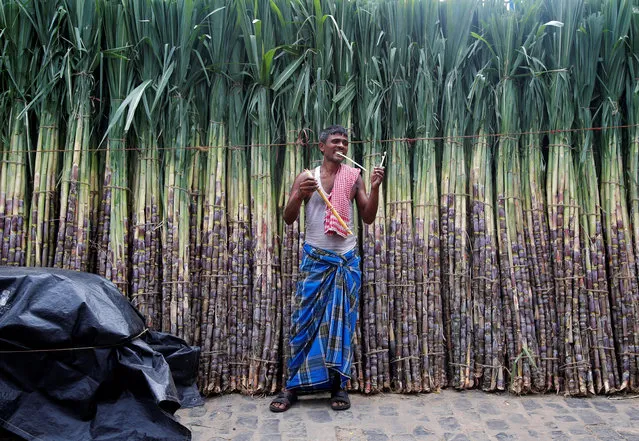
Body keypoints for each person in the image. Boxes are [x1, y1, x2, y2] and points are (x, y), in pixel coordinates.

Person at [270, 125, 384, 412]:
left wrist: (374, 187)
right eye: (336, 141)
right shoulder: (308, 177)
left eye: (345, 142)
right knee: (303, 323)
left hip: (346, 261)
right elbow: (287, 218)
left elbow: (368, 218)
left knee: (341, 325)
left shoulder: (353, 177)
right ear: (322, 147)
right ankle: (292, 386)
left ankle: (339, 387)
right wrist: (298, 195)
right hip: (316, 260)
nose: (342, 146)